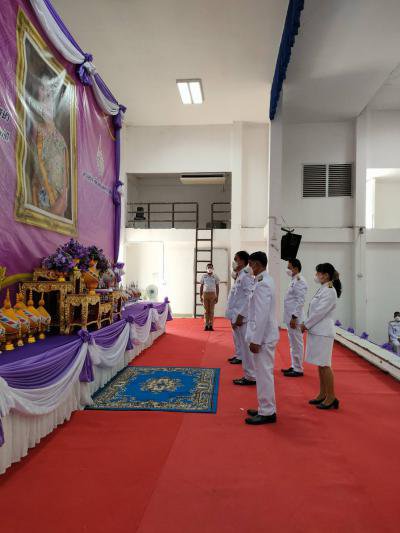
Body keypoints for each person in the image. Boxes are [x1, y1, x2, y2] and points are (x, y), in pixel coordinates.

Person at [300, 263, 342, 410]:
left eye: (318, 273)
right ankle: (323, 393)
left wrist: (306, 324)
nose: (316, 276)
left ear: (326, 275)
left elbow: (320, 312)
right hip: (318, 331)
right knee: (320, 364)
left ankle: (331, 397)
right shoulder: (324, 288)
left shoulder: (330, 290)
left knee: (325, 365)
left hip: (323, 332)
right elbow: (315, 310)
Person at [245, 251, 279, 425]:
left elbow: (262, 315)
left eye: (251, 265)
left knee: (264, 374)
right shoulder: (263, 280)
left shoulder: (263, 284)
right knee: (262, 373)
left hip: (264, 337)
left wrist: (256, 340)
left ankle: (267, 412)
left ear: (257, 265)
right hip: (264, 335)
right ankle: (264, 407)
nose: (249, 268)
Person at [225, 251, 256, 384]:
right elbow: (236, 297)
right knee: (243, 346)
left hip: (242, 317)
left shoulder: (246, 277)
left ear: (243, 261)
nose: (234, 262)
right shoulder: (240, 275)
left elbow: (249, 298)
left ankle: (251, 376)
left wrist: (240, 315)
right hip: (237, 315)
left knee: (246, 348)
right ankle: (248, 374)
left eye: (236, 259)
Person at [281, 258, 308, 377]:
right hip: (290, 317)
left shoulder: (299, 281)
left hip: (295, 318)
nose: (287, 269)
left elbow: (300, 301)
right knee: (293, 343)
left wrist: (294, 317)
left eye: (289, 267)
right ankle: (294, 365)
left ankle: (298, 369)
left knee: (297, 343)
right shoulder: (294, 280)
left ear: (296, 268)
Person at [200, 263, 219, 331]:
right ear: (206, 269)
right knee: (206, 311)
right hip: (205, 294)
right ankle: (206, 325)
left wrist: (217, 296)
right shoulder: (203, 276)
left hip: (212, 294)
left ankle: (211, 325)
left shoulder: (215, 276)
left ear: (213, 269)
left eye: (211, 267)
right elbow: (201, 286)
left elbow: (217, 286)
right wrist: (200, 296)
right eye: (208, 267)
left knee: (211, 311)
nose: (209, 269)